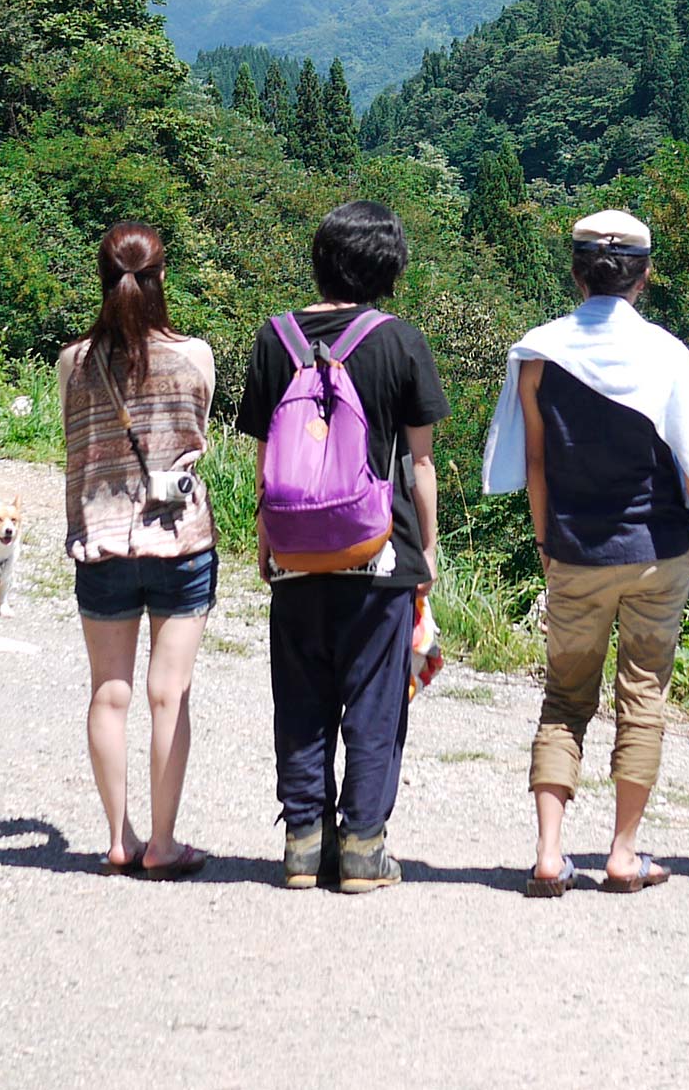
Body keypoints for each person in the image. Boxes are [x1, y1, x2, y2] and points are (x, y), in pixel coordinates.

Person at [481, 209, 689, 897]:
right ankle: (623, 854)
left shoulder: (537, 355)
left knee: (564, 698)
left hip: (574, 550)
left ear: (575, 270)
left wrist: (545, 546)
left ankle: (550, 855)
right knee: (642, 699)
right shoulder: (666, 354)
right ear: (645, 276)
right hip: (658, 550)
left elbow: (534, 463)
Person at [233, 202, 449, 893]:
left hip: (296, 549)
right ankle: (361, 849)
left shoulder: (276, 339)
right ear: (389, 269)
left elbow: (267, 458)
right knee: (376, 703)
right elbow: (419, 465)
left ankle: (302, 846)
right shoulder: (399, 341)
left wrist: (267, 538)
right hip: (378, 554)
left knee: (300, 701)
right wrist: (429, 555)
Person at [59, 222, 216, 879]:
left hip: (101, 544)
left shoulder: (72, 362)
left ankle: (118, 839)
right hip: (178, 541)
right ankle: (163, 843)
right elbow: (197, 429)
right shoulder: (195, 356)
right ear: (161, 280)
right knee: (168, 693)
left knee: (109, 693)